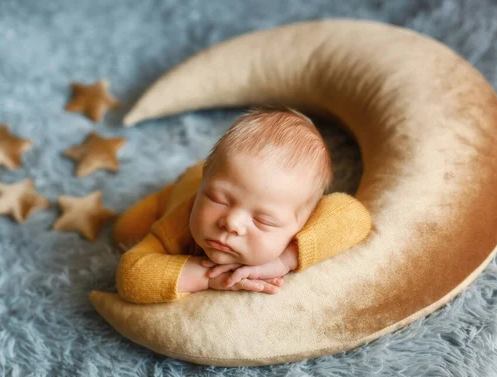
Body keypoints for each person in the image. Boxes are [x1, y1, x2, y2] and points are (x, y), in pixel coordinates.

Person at [113, 106, 372, 304]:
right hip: (180, 188)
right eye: (217, 199)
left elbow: (355, 216)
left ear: (301, 224)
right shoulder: (180, 222)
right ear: (206, 183)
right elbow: (131, 275)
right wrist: (207, 277)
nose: (231, 223)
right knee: (124, 231)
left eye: (263, 220)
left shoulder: (300, 217)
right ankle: (189, 185)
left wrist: (286, 259)